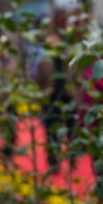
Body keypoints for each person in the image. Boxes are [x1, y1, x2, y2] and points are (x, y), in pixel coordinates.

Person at [35, 31, 77, 174]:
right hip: (51, 102)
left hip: (68, 100)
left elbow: (76, 78)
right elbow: (38, 82)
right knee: (51, 134)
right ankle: (53, 164)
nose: (52, 41)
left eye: (54, 39)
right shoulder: (43, 62)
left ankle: (72, 160)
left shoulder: (69, 60)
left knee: (72, 132)